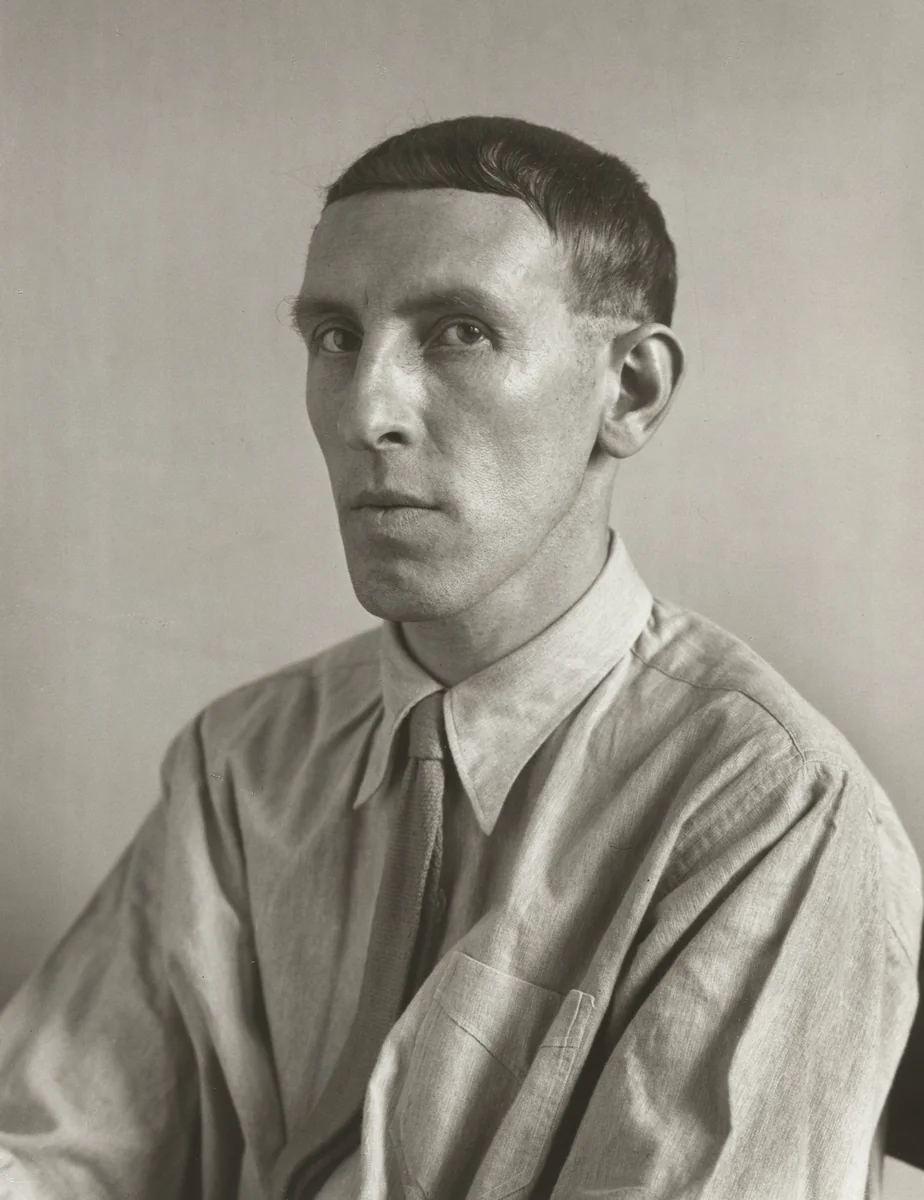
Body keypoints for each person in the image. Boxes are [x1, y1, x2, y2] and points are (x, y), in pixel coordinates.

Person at [0, 115, 919, 1200]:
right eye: (336, 337)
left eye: (458, 332)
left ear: (629, 392)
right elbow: (56, 1150)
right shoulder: (243, 758)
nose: (366, 411)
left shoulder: (772, 810)